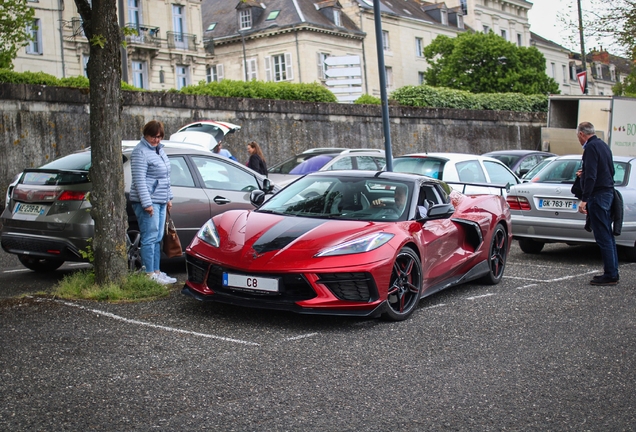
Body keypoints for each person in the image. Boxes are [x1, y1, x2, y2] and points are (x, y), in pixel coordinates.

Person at [129, 120, 177, 285]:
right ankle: (149, 273)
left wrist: (168, 197)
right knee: (150, 237)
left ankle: (156, 271)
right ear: (145, 134)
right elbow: (139, 181)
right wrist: (147, 204)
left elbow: (165, 177)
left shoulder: (159, 151)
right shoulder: (140, 152)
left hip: (161, 199)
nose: (156, 140)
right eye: (153, 136)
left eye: (159, 137)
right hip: (148, 201)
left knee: (157, 237)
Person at [576, 121, 619, 286]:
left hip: (598, 195)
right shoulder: (603, 146)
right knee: (607, 234)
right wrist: (585, 173)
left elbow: (593, 175)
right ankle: (612, 271)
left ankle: (610, 274)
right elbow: (610, 170)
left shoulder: (590, 148)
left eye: (578, 136)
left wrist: (584, 199)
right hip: (607, 192)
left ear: (581, 134)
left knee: (602, 235)